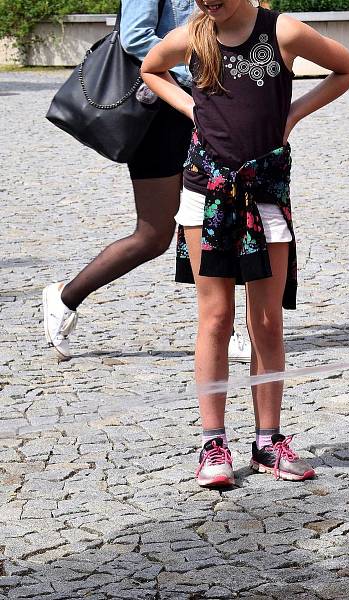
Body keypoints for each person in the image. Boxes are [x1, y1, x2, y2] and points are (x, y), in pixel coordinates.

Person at [141, 0, 349, 487]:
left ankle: (268, 440)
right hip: (207, 191)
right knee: (216, 316)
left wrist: (294, 113)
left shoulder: (282, 31)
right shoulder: (192, 35)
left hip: (265, 190)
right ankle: (213, 442)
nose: (206, 0)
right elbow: (151, 67)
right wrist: (189, 106)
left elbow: (348, 68)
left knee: (265, 319)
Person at [41, 0, 252, 363]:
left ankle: (223, 329)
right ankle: (64, 296)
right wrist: (201, 72)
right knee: (153, 236)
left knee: (213, 219)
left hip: (205, 106)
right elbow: (136, 37)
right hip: (159, 114)